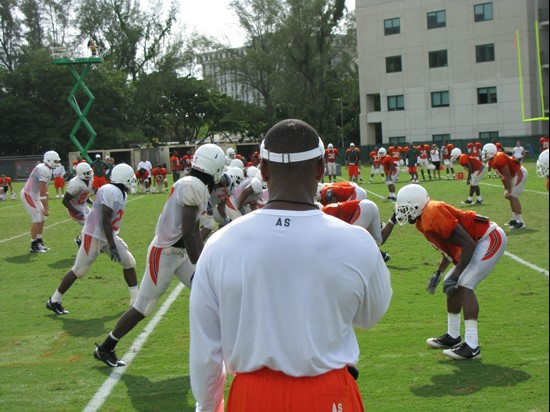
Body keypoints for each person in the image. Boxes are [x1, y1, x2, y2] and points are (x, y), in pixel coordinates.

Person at [189, 119, 392, 411]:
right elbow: (370, 316)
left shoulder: (220, 244)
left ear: (263, 168)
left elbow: (206, 351)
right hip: (330, 393)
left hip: (253, 396)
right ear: (321, 167)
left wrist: (208, 406)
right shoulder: (356, 242)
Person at [93, 144, 226, 368]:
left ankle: (214, 348)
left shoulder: (194, 184)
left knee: (211, 295)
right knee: (143, 307)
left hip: (179, 252)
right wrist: (203, 264)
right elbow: (190, 232)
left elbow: (192, 232)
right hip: (165, 253)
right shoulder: (192, 186)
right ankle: (106, 347)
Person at [394, 184, 506, 360]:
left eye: (404, 208)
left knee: (464, 283)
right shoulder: (424, 219)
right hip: (477, 241)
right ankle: (453, 336)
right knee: (452, 282)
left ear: (415, 204)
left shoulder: (432, 213)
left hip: (489, 238)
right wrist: (439, 273)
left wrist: (456, 274)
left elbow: (468, 243)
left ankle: (472, 346)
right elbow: (450, 247)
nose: (402, 212)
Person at [45, 164, 139, 315]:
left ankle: (135, 302)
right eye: (130, 178)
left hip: (108, 235)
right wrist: (112, 245)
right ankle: (54, 301)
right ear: (123, 178)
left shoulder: (121, 193)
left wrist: (112, 241)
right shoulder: (109, 190)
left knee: (129, 262)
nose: (133, 181)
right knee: (79, 270)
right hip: (94, 235)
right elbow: (105, 220)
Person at [322, 199, 395, 262]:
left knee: (354, 240)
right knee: (378, 241)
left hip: (363, 208)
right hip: (369, 206)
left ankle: (380, 256)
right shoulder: (325, 211)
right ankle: (393, 218)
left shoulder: (325, 214)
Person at [21, 150, 60, 253]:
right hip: (28, 194)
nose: (56, 163)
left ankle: (39, 241)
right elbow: (42, 192)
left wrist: (47, 206)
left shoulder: (48, 169)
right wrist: (46, 207)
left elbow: (45, 191)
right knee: (37, 218)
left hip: (35, 195)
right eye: (55, 161)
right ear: (49, 160)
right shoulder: (43, 169)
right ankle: (33, 245)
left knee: (42, 218)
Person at [482, 143, 528, 229]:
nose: (483, 154)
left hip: (519, 172)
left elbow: (507, 175)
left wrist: (509, 191)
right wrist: (506, 189)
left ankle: (520, 222)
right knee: (511, 196)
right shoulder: (491, 161)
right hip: (513, 174)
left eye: (485, 152)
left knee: (513, 196)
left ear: (491, 152)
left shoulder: (498, 157)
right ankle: (515, 219)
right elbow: (502, 176)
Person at [62, 162, 94, 248]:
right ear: (81, 173)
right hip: (74, 207)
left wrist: (91, 202)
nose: (89, 174)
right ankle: (82, 242)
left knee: (94, 222)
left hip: (83, 206)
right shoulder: (75, 184)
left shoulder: (90, 180)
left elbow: (84, 194)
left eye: (89, 172)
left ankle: (81, 240)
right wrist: (76, 212)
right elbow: (65, 201)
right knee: (89, 225)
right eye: (87, 173)